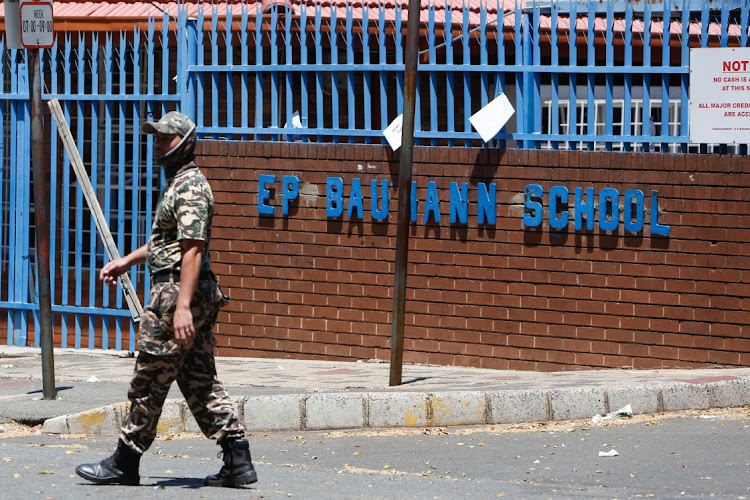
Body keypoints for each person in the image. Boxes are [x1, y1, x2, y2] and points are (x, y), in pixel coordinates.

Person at [75, 111, 257, 488]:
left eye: (165, 138)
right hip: (187, 287)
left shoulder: (189, 186)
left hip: (177, 292)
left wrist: (183, 306)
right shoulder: (178, 183)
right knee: (198, 378)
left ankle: (125, 460)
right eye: (155, 137)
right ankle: (238, 460)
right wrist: (127, 260)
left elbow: (193, 248)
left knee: (149, 378)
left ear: (185, 142)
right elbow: (168, 243)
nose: (157, 143)